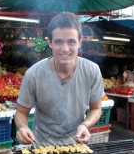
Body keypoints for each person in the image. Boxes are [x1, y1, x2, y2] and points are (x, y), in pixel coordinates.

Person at [14, 12, 104, 145]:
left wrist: (85, 125)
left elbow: (96, 109)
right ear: (49, 42)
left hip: (77, 145)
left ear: (80, 42)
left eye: (71, 41)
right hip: (42, 148)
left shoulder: (92, 70)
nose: (65, 48)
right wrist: (22, 127)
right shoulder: (33, 74)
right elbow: (21, 112)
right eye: (58, 42)